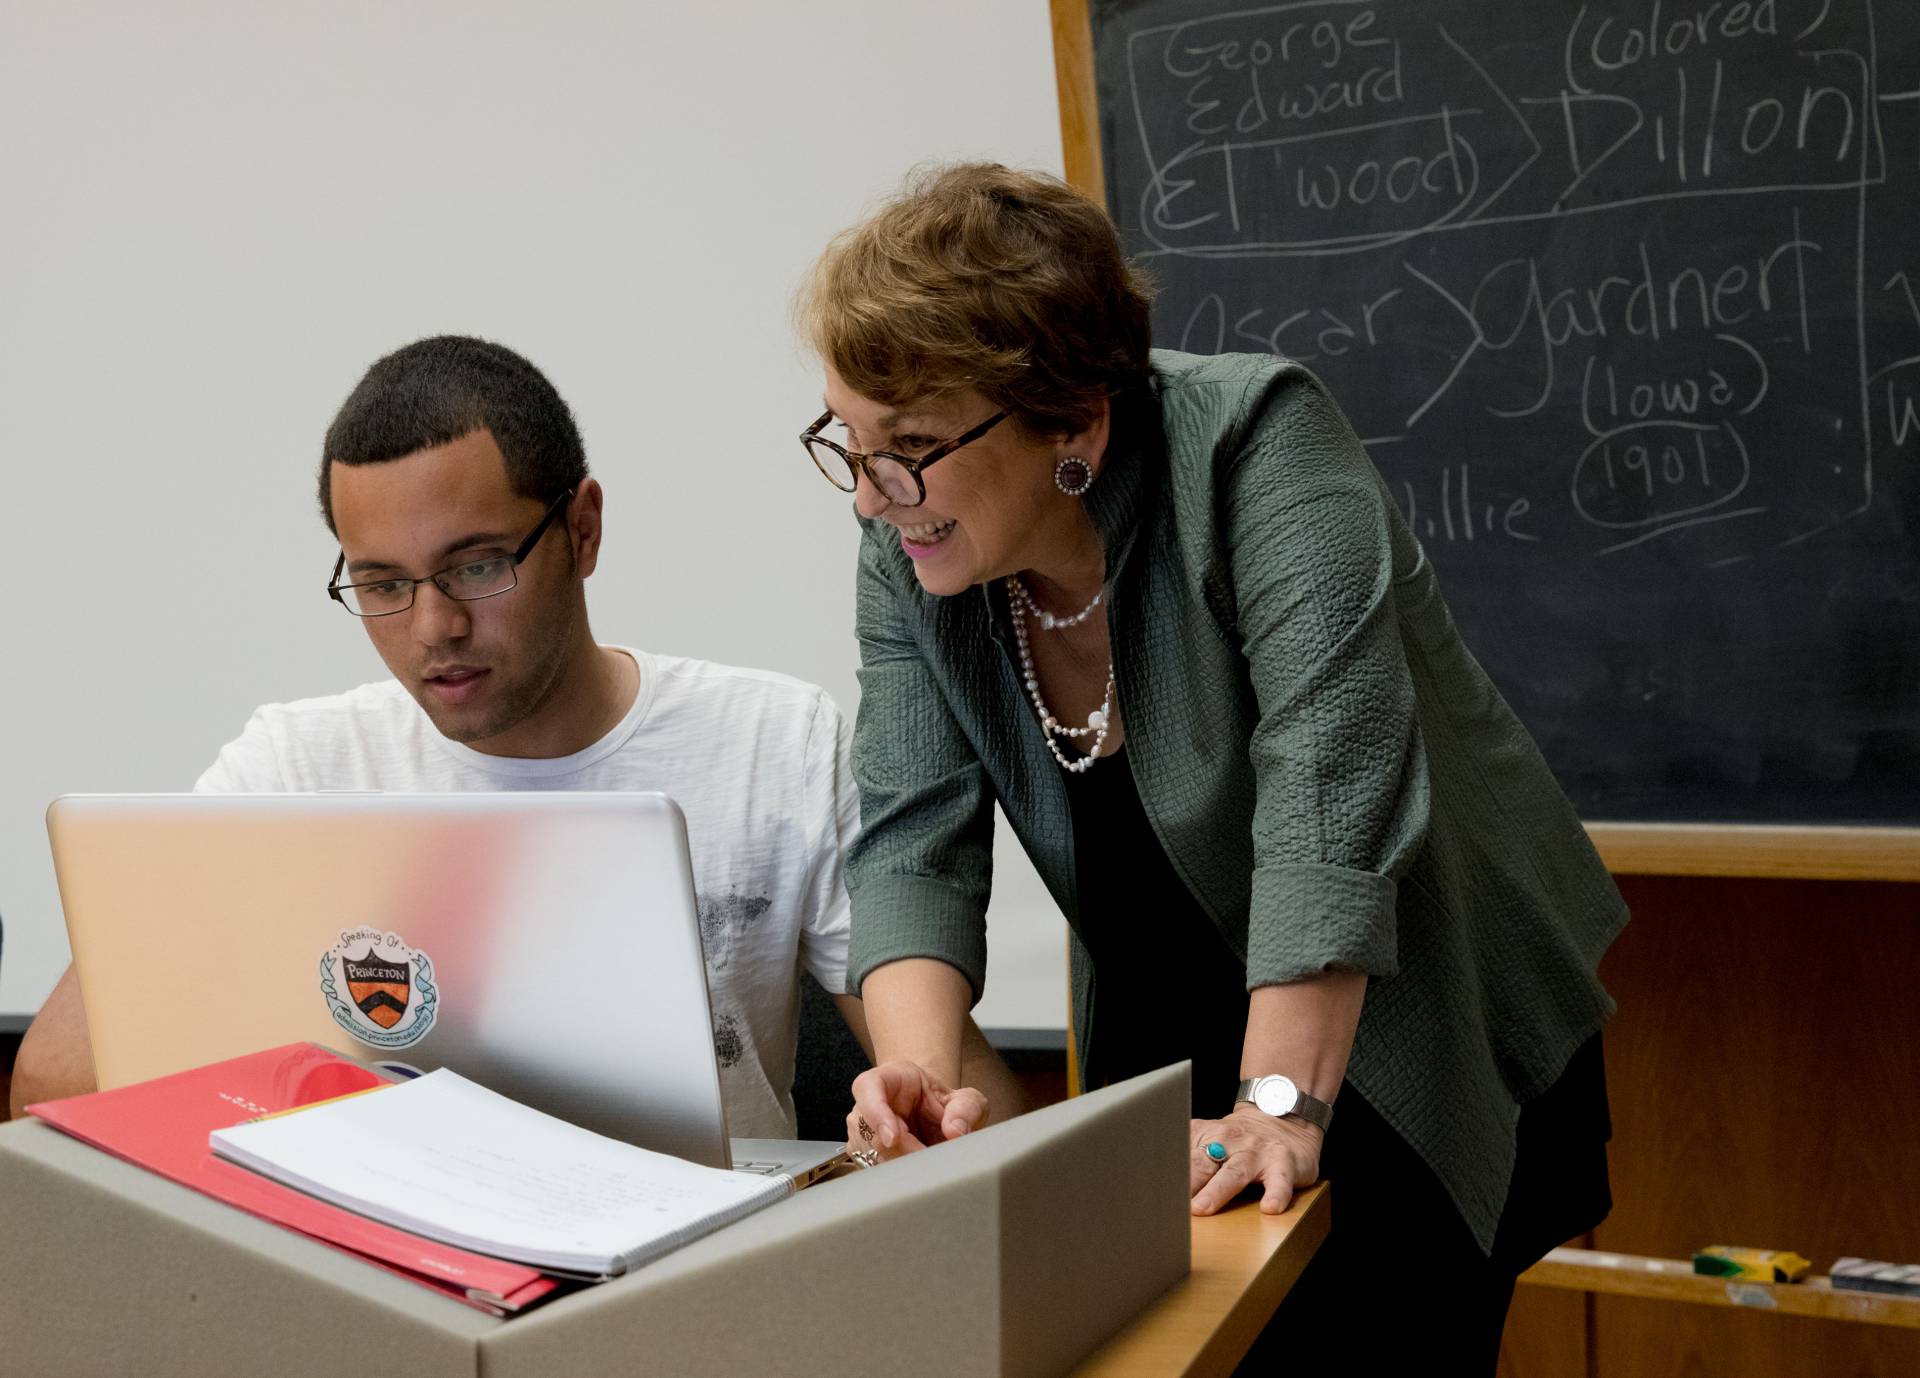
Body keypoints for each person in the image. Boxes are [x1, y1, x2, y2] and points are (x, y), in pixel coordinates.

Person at [799, 165, 1627, 1367]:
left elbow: (1330, 800)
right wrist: (917, 1081)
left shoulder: (1256, 449)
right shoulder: (913, 550)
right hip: (1173, 1039)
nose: (874, 498)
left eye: (912, 447)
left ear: (1072, 420)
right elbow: (909, 836)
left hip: (1409, 1005)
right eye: (850, 443)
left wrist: (1281, 1107)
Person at [10, 335, 1022, 1134]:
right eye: (380, 583)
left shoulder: (770, 742)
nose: (432, 626)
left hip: (697, 1288)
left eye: (479, 564)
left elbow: (949, 1088)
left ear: (582, 529)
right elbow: (49, 1082)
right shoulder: (297, 767)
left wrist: (970, 1126)